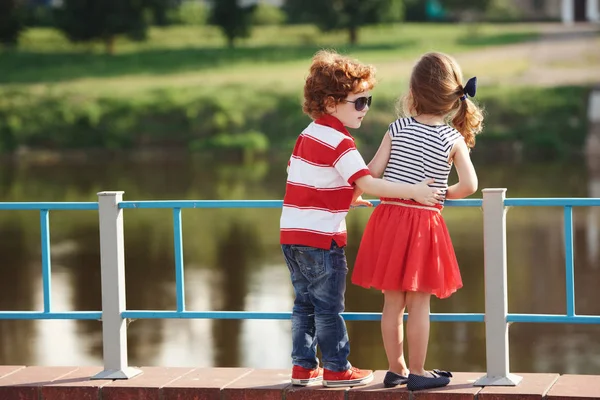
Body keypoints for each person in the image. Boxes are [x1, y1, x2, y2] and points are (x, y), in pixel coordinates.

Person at [280, 50, 443, 388]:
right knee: (328, 307)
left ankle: (303, 367)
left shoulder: (307, 135)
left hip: (292, 235)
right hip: (322, 240)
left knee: (304, 305)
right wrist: (413, 191)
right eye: (359, 102)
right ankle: (337, 369)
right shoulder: (341, 141)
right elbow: (367, 181)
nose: (365, 108)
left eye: (368, 100)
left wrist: (342, 200)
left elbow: (305, 179)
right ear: (329, 103)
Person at [351, 52, 483, 391]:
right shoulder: (452, 139)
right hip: (424, 224)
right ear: (453, 96)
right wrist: (442, 194)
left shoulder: (397, 127)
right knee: (419, 300)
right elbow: (470, 186)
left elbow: (371, 172)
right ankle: (419, 371)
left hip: (389, 218)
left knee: (392, 301)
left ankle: (396, 368)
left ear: (413, 92)